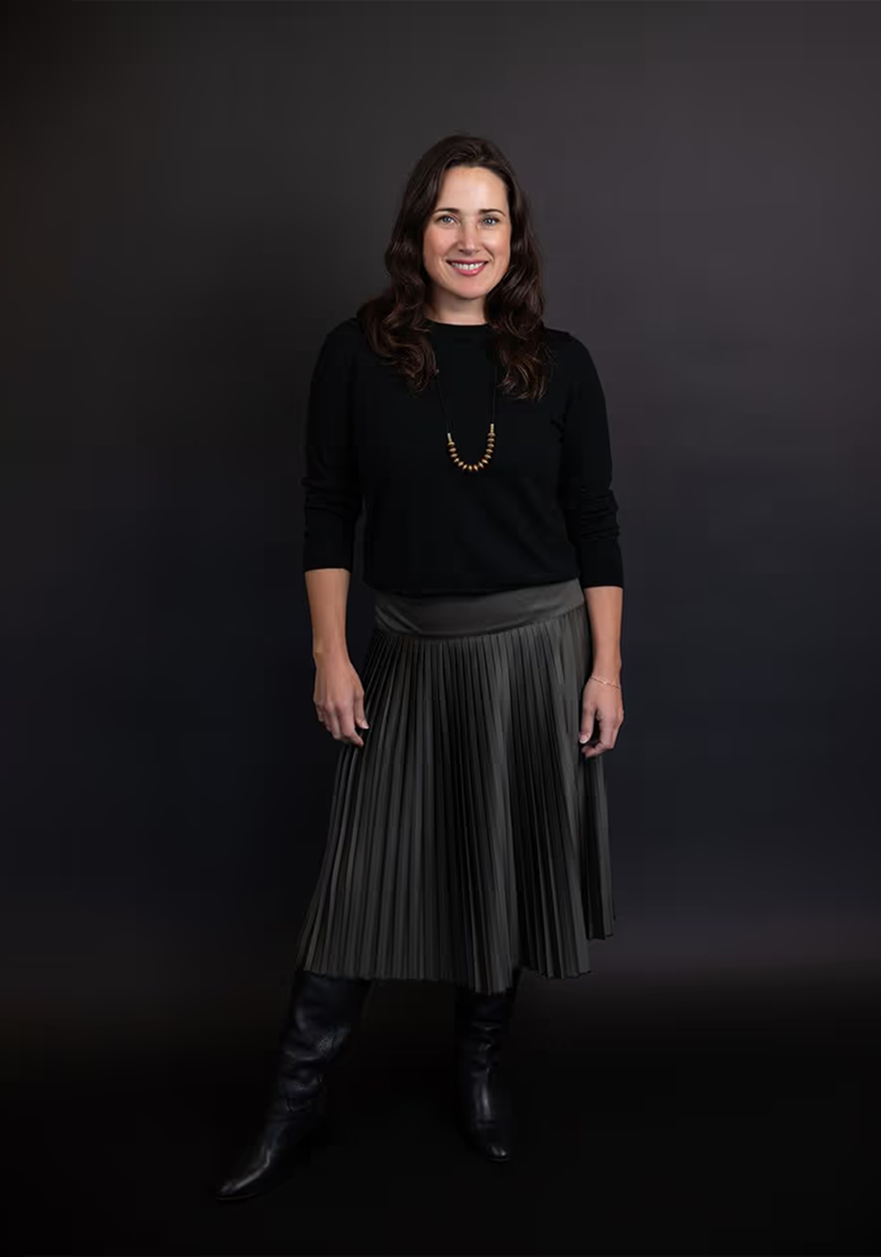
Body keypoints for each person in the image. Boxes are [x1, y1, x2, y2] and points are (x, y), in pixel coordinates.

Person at [215, 134, 625, 1202]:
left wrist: (606, 668)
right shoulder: (355, 356)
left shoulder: (562, 363)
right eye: (449, 216)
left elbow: (595, 521)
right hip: (405, 649)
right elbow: (327, 508)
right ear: (416, 232)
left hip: (536, 654)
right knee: (356, 886)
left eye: (490, 218)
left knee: (500, 873)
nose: (470, 239)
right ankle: (291, 1109)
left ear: (515, 238)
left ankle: (479, 1072)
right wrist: (330, 652)